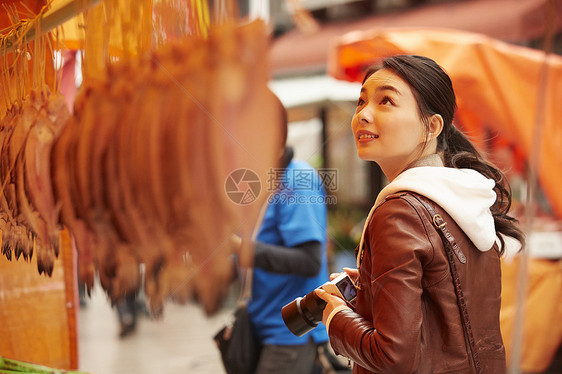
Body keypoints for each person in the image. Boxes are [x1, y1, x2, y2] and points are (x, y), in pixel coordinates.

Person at [314, 55, 525, 373]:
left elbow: (393, 357)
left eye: (386, 101)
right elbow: (446, 318)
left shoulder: (399, 212)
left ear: (432, 126)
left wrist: (334, 316)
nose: (363, 115)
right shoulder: (468, 200)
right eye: (361, 101)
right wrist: (375, 291)